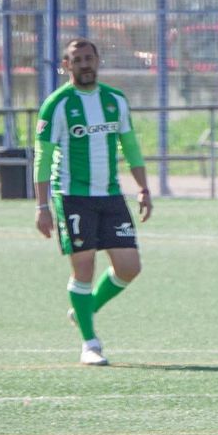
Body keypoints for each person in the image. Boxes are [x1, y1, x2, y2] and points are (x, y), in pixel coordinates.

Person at [34, 37, 153, 366]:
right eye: (77, 59)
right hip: (72, 197)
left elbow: (130, 145)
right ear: (66, 66)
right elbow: (42, 157)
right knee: (84, 267)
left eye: (89, 58)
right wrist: (41, 206)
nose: (84, 64)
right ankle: (90, 342)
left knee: (130, 267)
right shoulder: (57, 104)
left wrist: (143, 188)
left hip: (111, 195)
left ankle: (84, 310)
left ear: (98, 61)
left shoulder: (115, 100)